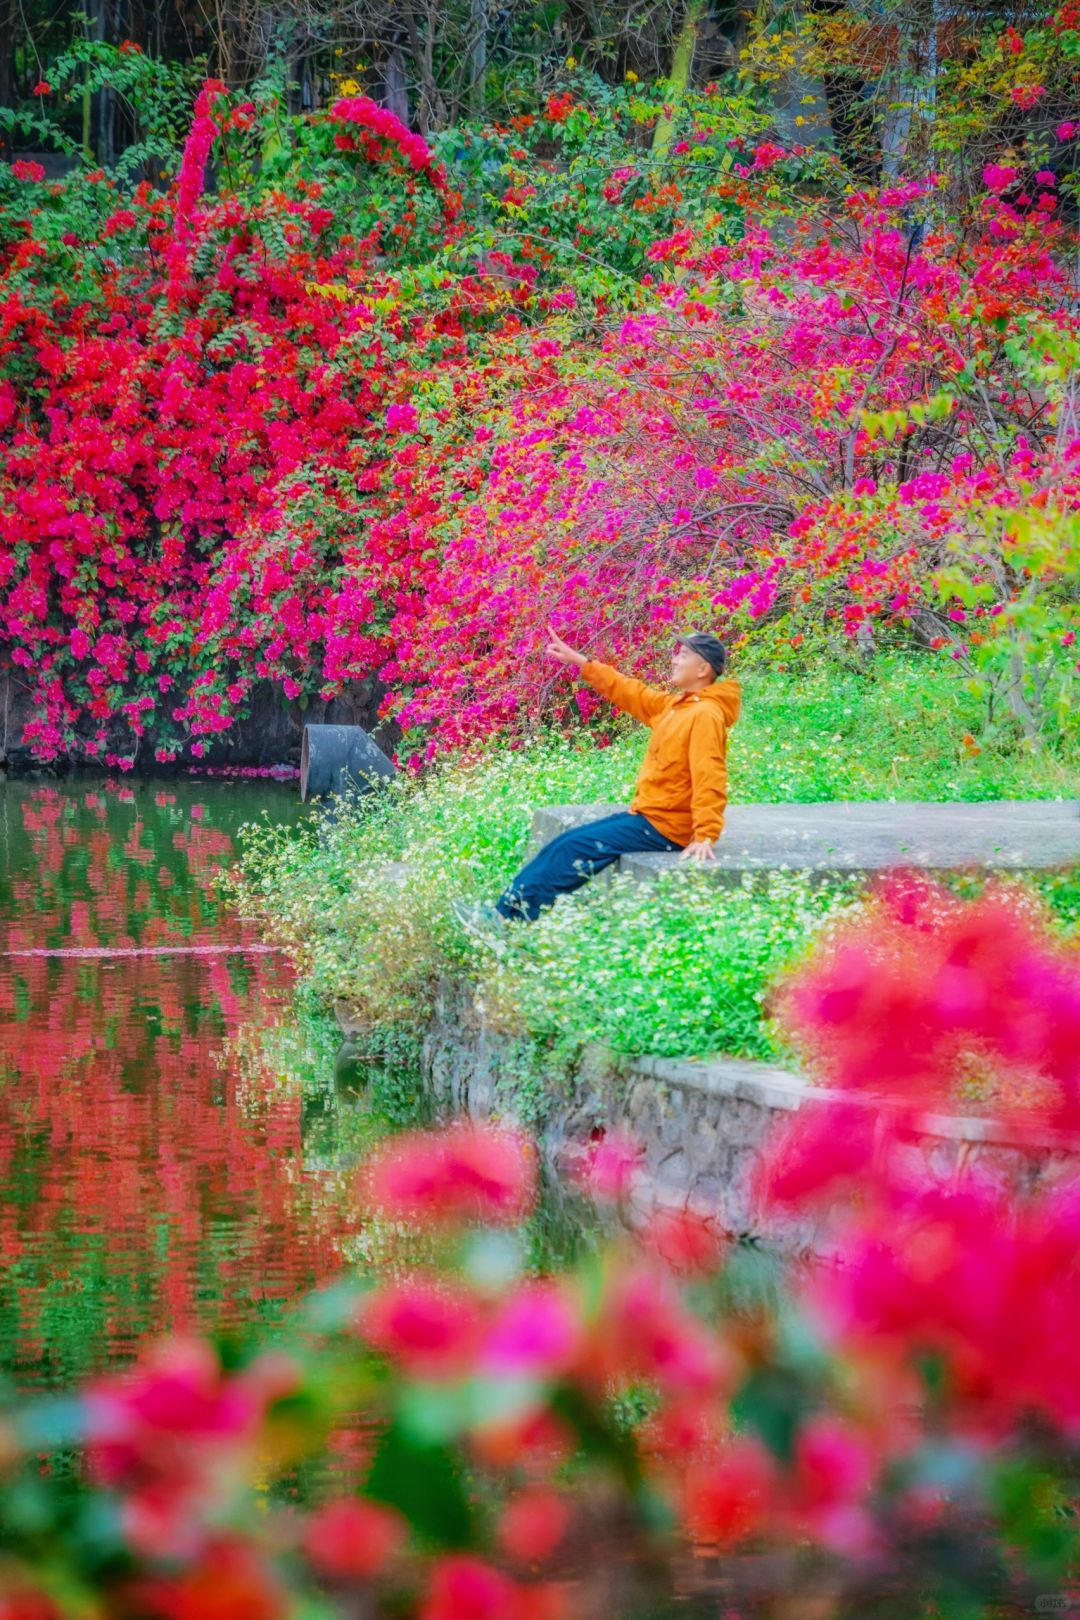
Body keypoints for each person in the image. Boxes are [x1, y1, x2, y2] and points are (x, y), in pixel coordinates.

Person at [455, 626, 740, 933]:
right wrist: (581, 662)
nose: (674, 660)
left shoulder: (706, 715)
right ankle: (504, 915)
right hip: (649, 817)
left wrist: (705, 834)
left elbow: (709, 773)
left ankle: (505, 922)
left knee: (573, 848)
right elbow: (631, 690)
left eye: (683, 655)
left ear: (703, 668)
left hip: (666, 828)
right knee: (564, 843)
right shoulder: (677, 707)